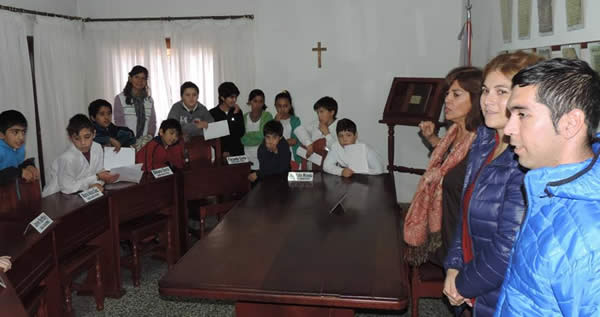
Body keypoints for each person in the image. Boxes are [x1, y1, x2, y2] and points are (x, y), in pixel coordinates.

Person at [495, 58, 600, 316]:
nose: (508, 129)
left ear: (570, 123)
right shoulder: (549, 190)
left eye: (522, 114)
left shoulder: (589, 238)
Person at [443, 51, 543, 317]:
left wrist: (463, 284)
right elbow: (463, 216)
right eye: (486, 90)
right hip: (473, 279)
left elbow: (507, 248)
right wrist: (454, 265)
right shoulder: (484, 141)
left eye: (501, 92)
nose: (488, 100)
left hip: (501, 293)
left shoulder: (524, 160)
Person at [403, 66, 483, 267]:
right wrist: (431, 139)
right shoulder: (454, 133)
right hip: (443, 225)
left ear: (476, 100)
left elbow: (454, 173)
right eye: (447, 94)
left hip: (459, 235)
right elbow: (450, 163)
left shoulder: (481, 144)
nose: (447, 100)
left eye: (456, 95)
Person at [42, 114, 118, 197]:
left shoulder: (97, 147)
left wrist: (98, 183)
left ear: (94, 134)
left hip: (82, 194)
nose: (83, 143)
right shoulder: (67, 158)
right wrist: (96, 178)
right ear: (71, 138)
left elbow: (99, 172)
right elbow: (67, 188)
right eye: (77, 139)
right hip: (57, 197)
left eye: (87, 137)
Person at [114, 65, 157, 146]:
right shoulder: (120, 98)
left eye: (143, 78)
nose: (140, 81)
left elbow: (152, 123)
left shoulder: (149, 100)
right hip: (126, 143)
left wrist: (148, 138)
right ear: (130, 78)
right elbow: (119, 123)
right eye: (136, 77)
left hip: (145, 144)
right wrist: (130, 141)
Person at [0, 110, 40, 185]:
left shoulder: (19, 148)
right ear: (1, 134)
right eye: (15, 132)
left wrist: (28, 166)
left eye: (23, 132)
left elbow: (15, 166)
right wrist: (19, 172)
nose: (21, 137)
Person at [209, 82, 245, 157]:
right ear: (222, 97)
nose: (234, 100)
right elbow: (212, 137)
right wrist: (223, 151)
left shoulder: (237, 112)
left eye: (236, 97)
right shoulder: (212, 113)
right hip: (220, 155)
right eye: (231, 97)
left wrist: (235, 115)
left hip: (237, 152)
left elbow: (241, 132)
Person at [241, 89, 273, 171]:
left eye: (261, 101)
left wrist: (247, 136)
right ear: (249, 102)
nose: (258, 104)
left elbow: (263, 135)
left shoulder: (268, 116)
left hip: (263, 159)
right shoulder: (244, 117)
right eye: (255, 101)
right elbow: (241, 138)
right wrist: (257, 137)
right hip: (246, 159)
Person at [273, 90, 302, 167]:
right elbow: (270, 141)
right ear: (275, 106)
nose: (282, 109)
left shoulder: (295, 120)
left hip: (292, 158)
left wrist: (278, 143)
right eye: (279, 106)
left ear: (290, 106)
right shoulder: (272, 122)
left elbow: (294, 141)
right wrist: (276, 123)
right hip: (276, 158)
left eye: (285, 106)